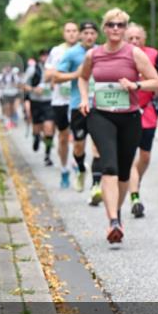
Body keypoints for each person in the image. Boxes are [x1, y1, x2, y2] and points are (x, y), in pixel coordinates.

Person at [77, 9, 158, 243]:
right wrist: (84, 98)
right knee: (109, 166)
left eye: (120, 25)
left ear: (125, 29)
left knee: (124, 173)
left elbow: (156, 83)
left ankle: (117, 212)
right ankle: (113, 221)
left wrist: (136, 84)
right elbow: (83, 77)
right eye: (111, 25)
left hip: (129, 118)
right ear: (104, 28)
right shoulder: (93, 55)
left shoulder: (134, 54)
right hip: (101, 116)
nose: (116, 29)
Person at [124, 23, 158, 218]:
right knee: (130, 158)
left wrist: (150, 85)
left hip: (147, 111)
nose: (134, 41)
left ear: (144, 38)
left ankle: (136, 183)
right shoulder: (120, 55)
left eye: (137, 38)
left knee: (145, 157)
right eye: (130, 38)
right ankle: (135, 197)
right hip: (125, 111)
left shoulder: (152, 54)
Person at [54, 21, 100, 195]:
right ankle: (80, 168)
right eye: (86, 33)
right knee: (79, 146)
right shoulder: (72, 54)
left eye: (92, 33)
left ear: (97, 35)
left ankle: (96, 185)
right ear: (81, 35)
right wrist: (77, 74)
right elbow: (56, 77)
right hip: (77, 105)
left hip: (98, 105)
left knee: (98, 145)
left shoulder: (102, 52)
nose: (89, 36)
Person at [46, 22, 80, 188]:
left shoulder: (85, 50)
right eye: (68, 31)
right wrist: (63, 73)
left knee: (79, 136)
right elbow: (48, 74)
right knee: (63, 138)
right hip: (60, 100)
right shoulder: (57, 51)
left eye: (74, 31)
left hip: (78, 99)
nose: (72, 34)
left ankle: (76, 163)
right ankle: (64, 168)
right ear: (63, 33)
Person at [26, 48, 56, 166]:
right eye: (43, 56)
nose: (45, 58)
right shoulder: (32, 69)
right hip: (36, 102)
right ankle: (36, 137)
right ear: (40, 57)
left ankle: (47, 155)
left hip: (49, 102)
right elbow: (22, 84)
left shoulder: (55, 69)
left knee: (49, 128)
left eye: (47, 56)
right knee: (37, 127)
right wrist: (34, 89)